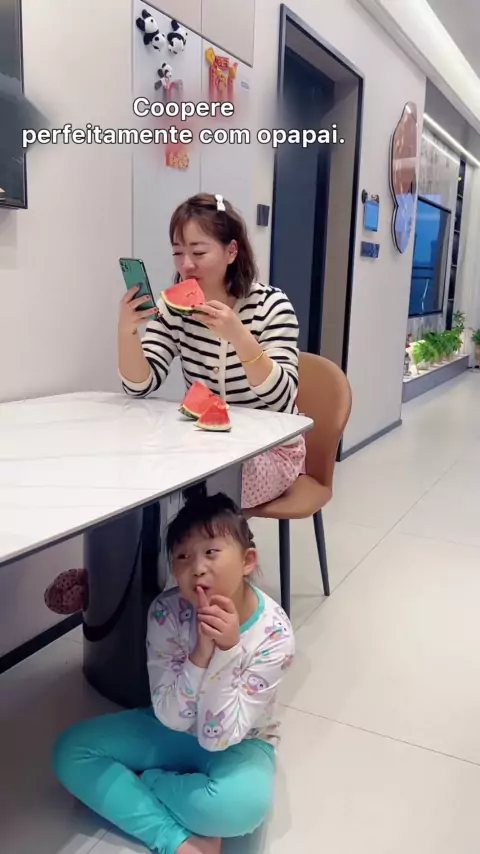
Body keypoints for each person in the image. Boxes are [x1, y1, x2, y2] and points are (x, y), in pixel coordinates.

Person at [44, 192, 305, 616]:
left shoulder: (273, 306)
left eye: (198, 252)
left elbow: (280, 396)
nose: (186, 264)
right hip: (205, 442)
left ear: (231, 251)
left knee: (199, 491)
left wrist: (239, 336)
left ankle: (155, 590)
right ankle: (119, 578)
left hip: (272, 450)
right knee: (140, 466)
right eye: (178, 252)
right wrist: (127, 331)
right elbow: (140, 384)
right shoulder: (175, 308)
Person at [52, 493, 295, 854]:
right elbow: (170, 716)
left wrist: (227, 652)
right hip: (171, 727)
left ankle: (135, 785)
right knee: (70, 751)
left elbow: (218, 738)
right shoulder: (166, 613)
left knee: (239, 810)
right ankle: (178, 841)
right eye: (183, 557)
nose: (197, 568)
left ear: (247, 561)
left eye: (211, 552)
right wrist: (200, 654)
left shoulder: (274, 634)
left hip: (240, 740)